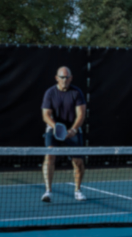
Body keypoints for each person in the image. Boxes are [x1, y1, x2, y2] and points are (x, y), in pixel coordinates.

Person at [41, 66, 87, 203]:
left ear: (71, 78)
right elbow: (46, 115)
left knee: (78, 161)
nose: (65, 80)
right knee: (49, 155)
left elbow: (81, 114)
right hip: (54, 129)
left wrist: (73, 130)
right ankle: (48, 191)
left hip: (72, 130)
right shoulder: (50, 93)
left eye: (67, 77)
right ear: (57, 78)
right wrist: (57, 128)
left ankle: (77, 190)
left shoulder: (77, 93)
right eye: (62, 77)